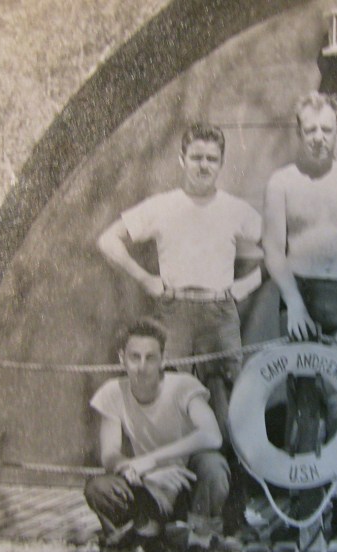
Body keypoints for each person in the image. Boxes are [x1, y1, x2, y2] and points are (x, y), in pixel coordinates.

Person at [97, 123, 262, 442]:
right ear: (182, 159)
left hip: (220, 314)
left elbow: (281, 247)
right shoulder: (162, 206)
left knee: (228, 402)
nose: (204, 165)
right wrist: (144, 278)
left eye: (212, 159)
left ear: (221, 163)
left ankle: (229, 487)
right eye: (197, 157)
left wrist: (248, 284)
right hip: (174, 314)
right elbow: (107, 240)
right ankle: (176, 488)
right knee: (171, 401)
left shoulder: (235, 208)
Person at [84, 318, 231, 550]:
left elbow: (212, 436)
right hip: (150, 487)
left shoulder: (182, 386)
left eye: (150, 358)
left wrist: (151, 461)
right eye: (135, 357)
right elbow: (110, 455)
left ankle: (198, 537)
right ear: (122, 359)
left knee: (213, 465)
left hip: (187, 485)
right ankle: (145, 536)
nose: (142, 367)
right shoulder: (113, 392)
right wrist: (142, 472)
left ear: (163, 360)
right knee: (97, 487)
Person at [262, 91, 337, 344]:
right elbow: (273, 250)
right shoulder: (281, 182)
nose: (319, 138)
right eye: (311, 130)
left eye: (326, 130)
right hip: (300, 293)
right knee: (302, 378)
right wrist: (294, 303)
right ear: (299, 132)